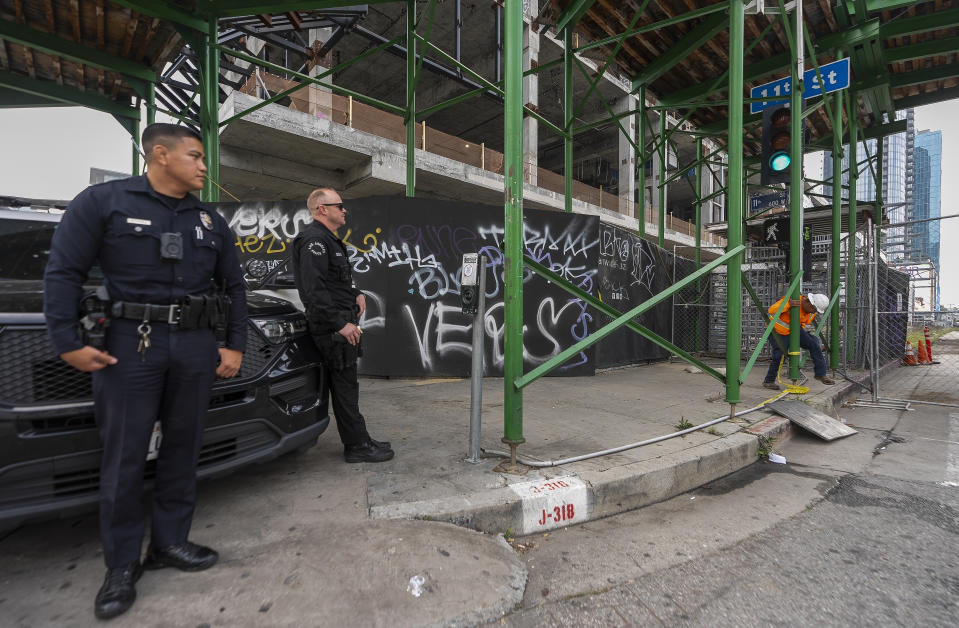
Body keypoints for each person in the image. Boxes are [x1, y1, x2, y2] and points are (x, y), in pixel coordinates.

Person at [43, 123, 247, 620]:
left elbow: (234, 287)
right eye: (196, 156)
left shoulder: (208, 220)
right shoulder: (102, 202)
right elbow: (64, 272)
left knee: (183, 447)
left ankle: (170, 543)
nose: (204, 166)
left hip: (195, 346)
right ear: (160, 155)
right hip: (130, 346)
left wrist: (233, 345)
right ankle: (120, 565)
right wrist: (67, 341)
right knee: (125, 456)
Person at [292, 187, 394, 463]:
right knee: (345, 388)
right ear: (323, 209)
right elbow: (314, 292)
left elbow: (335, 282)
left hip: (340, 324)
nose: (344, 209)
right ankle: (357, 446)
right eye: (339, 205)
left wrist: (356, 293)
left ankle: (359, 440)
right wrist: (340, 324)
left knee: (346, 386)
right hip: (332, 330)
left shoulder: (328, 240)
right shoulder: (314, 240)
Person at [762, 292, 834, 390]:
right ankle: (769, 381)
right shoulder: (791, 300)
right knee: (779, 354)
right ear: (809, 303)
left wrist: (802, 335)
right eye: (814, 309)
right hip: (777, 331)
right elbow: (772, 310)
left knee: (814, 343)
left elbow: (803, 322)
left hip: (795, 330)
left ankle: (821, 374)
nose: (814, 312)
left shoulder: (811, 312)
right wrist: (788, 305)